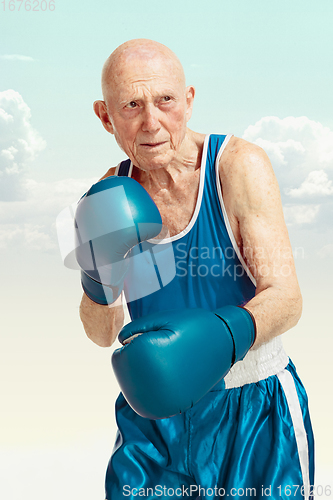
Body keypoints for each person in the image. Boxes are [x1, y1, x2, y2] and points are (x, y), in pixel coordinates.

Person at [78, 39, 314, 499]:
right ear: (105, 116)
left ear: (188, 100)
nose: (152, 122)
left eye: (165, 100)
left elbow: (287, 299)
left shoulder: (236, 166)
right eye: (131, 105)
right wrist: (97, 273)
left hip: (254, 413)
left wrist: (221, 336)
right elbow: (102, 333)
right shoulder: (110, 193)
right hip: (153, 421)